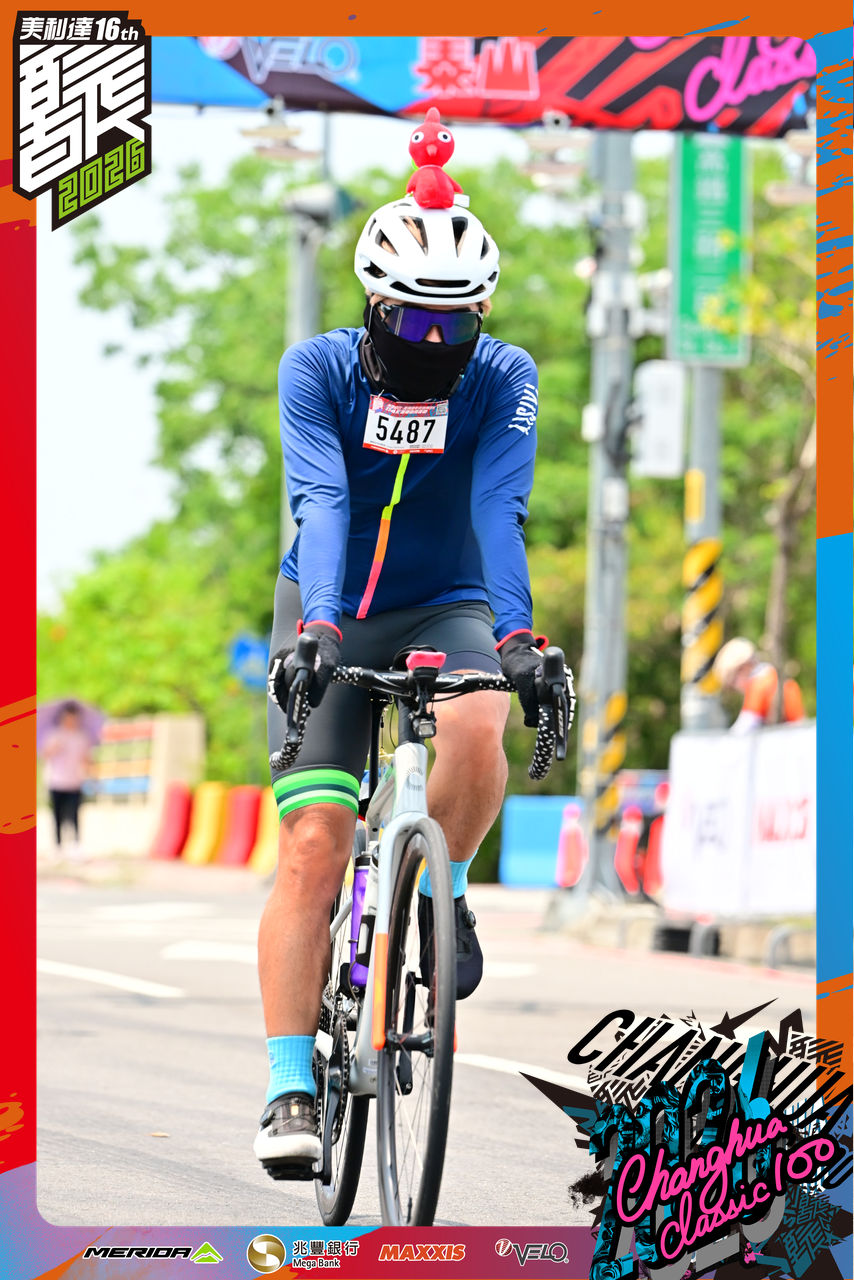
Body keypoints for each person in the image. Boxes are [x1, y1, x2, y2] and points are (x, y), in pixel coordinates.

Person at [254, 188, 569, 1178]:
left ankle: (445, 891)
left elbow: (497, 506)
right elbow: (321, 499)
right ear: (372, 304)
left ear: (483, 313)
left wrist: (515, 638)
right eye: (412, 321)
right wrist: (317, 626)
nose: (434, 342)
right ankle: (288, 1086)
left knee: (478, 719)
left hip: (447, 600)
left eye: (455, 323)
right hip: (330, 605)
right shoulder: (315, 368)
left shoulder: (503, 375)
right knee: (314, 842)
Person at [713, 637, 804, 732]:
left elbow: (744, 729)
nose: (737, 688)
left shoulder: (759, 685)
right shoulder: (777, 678)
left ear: (743, 668)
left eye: (733, 682)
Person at [41, 702, 91, 853]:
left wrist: (90, 771)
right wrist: (55, 748)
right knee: (57, 815)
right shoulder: (55, 735)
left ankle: (76, 845)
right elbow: (44, 755)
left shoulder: (81, 737)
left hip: (74, 781)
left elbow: (86, 758)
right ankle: (57, 846)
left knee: (75, 814)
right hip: (56, 781)